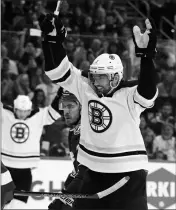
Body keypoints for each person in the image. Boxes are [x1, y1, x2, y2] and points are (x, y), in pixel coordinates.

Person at [39, 12, 158, 210]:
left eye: (101, 77)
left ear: (115, 78)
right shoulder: (86, 86)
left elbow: (148, 91)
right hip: (92, 171)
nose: (95, 81)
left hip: (128, 174)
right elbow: (56, 71)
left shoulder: (128, 95)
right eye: (94, 76)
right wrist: (52, 39)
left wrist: (146, 56)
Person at [1, 94, 61, 209]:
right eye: (19, 111)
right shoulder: (4, 113)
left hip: (25, 170)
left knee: (18, 205)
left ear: (30, 110)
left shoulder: (38, 116)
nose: (22, 114)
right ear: (14, 108)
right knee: (4, 204)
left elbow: (55, 110)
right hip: (4, 168)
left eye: (25, 111)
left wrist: (62, 90)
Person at [48, 88, 81, 210]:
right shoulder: (74, 131)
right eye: (64, 106)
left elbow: (87, 173)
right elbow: (78, 170)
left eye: (71, 106)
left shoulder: (87, 133)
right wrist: (65, 193)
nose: (65, 111)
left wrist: (66, 197)